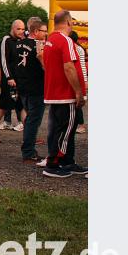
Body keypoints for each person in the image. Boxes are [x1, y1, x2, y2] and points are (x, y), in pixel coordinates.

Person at [42, 11, 87, 178]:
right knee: (65, 131)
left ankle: (67, 161)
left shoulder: (50, 39)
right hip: (65, 94)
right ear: (68, 22)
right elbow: (69, 67)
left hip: (55, 92)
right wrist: (78, 92)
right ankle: (53, 164)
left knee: (64, 129)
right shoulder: (65, 40)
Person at [14, 17, 47, 163]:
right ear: (36, 31)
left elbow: (14, 63)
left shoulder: (18, 44)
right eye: (44, 31)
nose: (46, 34)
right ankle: (28, 152)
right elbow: (45, 67)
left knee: (29, 119)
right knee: (33, 120)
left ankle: (28, 150)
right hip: (36, 87)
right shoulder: (39, 46)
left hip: (23, 86)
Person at [0, 20, 26, 131]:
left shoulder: (21, 41)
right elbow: (3, 60)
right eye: (18, 29)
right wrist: (9, 77)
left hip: (19, 79)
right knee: (3, 106)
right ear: (12, 28)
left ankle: (28, 130)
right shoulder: (6, 40)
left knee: (21, 105)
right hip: (9, 80)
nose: (21, 31)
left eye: (23, 29)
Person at [69, 31, 88, 134]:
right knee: (74, 103)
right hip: (74, 78)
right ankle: (76, 124)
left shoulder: (77, 49)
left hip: (77, 79)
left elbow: (82, 66)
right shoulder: (75, 48)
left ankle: (81, 125)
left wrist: (85, 81)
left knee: (77, 103)